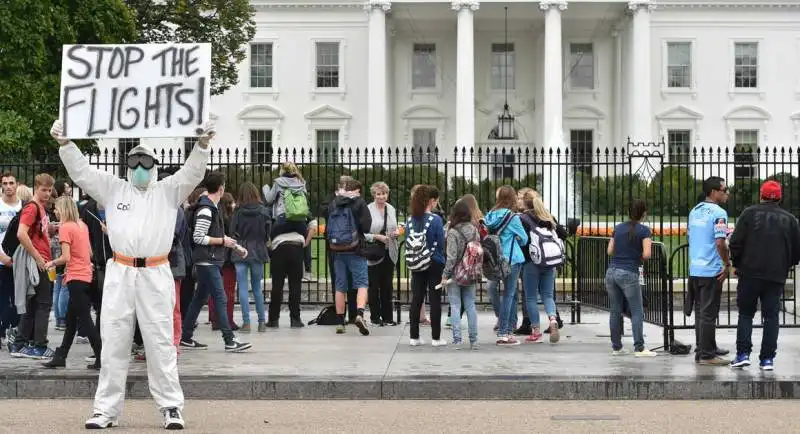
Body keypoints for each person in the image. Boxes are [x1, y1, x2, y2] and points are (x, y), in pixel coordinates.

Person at [51, 119, 215, 430]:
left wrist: (202, 145)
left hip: (155, 271)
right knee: (114, 340)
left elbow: (192, 173)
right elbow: (83, 172)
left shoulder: (168, 191)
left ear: (154, 165)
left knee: (160, 341)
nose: (140, 166)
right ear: (127, 165)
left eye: (146, 161)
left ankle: (170, 407)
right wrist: (66, 145)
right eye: (134, 161)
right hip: (121, 270)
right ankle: (105, 410)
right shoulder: (113, 189)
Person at [729, 181, 800, 370]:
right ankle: (767, 359)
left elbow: (735, 242)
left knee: (745, 314)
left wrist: (736, 264)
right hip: (776, 275)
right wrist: (786, 266)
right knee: (771, 317)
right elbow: (796, 251)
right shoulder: (790, 219)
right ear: (779, 197)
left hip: (750, 272)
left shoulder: (749, 214)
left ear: (761, 195)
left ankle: (743, 353)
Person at [181, 172, 251, 353]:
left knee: (198, 299)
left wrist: (236, 247)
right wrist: (223, 242)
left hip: (208, 260)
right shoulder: (207, 210)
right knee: (220, 298)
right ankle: (229, 340)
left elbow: (217, 234)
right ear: (221, 189)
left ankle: (186, 336)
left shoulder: (212, 208)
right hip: (207, 261)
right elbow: (199, 237)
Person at [41, 196, 101, 369]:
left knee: (85, 320)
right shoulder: (82, 225)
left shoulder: (66, 228)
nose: (55, 211)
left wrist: (51, 263)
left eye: (57, 208)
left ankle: (101, 356)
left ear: (64, 209)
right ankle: (61, 355)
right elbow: (89, 252)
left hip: (75, 278)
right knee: (71, 320)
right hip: (87, 277)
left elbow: (66, 257)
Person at [687, 176, 731, 366]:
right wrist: (727, 264)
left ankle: (705, 347)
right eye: (724, 189)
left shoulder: (694, 211)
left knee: (700, 312)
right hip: (711, 270)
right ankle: (707, 355)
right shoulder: (719, 213)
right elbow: (720, 242)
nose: (727, 193)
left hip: (695, 268)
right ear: (714, 192)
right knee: (708, 313)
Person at [11, 173, 55, 359]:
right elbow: (22, 233)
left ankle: (20, 344)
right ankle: (39, 345)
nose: (47, 193)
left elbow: (35, 232)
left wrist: (51, 229)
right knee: (43, 305)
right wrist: (38, 257)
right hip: (39, 262)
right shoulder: (33, 208)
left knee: (33, 305)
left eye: (49, 190)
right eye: (43, 190)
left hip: (41, 260)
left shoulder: (40, 208)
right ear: (35, 188)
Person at [604, 199, 656, 357]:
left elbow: (609, 250)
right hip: (629, 272)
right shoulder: (644, 230)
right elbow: (647, 254)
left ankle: (617, 347)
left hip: (611, 271)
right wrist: (636, 256)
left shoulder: (618, 228)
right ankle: (639, 348)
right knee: (637, 311)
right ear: (644, 213)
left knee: (615, 310)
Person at [519, 191, 567, 344]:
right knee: (547, 294)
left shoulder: (523, 219)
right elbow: (563, 234)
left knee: (531, 297)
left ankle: (536, 331)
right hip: (549, 261)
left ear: (526, 204)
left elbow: (522, 240)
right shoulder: (548, 217)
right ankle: (553, 319)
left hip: (530, 262)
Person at [485, 185, 528, 346]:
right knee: (509, 295)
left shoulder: (490, 215)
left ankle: (508, 328)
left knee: (508, 295)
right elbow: (524, 239)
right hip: (511, 259)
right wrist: (515, 238)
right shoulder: (512, 217)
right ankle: (505, 332)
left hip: (495, 260)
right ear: (511, 199)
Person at [328, 179, 371, 335]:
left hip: (337, 250)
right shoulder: (359, 202)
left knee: (340, 286)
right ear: (357, 190)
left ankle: (340, 321)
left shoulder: (335, 202)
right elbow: (366, 226)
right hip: (356, 248)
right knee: (362, 283)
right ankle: (359, 314)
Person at [407, 185, 447, 347]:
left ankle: (414, 336)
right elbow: (441, 243)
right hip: (434, 262)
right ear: (432, 201)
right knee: (435, 299)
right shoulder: (436, 220)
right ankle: (436, 338)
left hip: (417, 262)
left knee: (417, 298)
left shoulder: (410, 219)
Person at [231, 182, 270, 332]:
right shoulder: (263, 211)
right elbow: (267, 233)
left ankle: (246, 322)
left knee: (242, 287)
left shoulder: (238, 211)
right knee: (256, 288)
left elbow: (232, 230)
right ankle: (261, 322)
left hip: (241, 249)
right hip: (258, 250)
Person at [442, 199, 480, 349]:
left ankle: (457, 339)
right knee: (471, 306)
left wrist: (445, 274)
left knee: (456, 306)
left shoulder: (453, 232)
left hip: (456, 274)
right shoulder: (474, 229)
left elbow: (451, 257)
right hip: (471, 271)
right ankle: (474, 340)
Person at [322, 176, 358, 323]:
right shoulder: (336, 200)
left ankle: (348, 314)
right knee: (341, 281)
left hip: (340, 245)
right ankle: (344, 314)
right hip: (340, 245)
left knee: (346, 281)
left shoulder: (349, 200)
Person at [366, 182, 399, 326]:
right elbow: (363, 233)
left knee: (387, 285)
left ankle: (388, 317)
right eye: (378, 194)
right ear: (374, 195)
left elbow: (394, 226)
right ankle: (375, 317)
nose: (381, 196)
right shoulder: (368, 209)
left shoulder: (391, 209)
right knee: (374, 285)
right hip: (374, 250)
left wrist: (396, 232)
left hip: (389, 250)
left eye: (384, 193)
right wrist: (377, 237)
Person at [207, 192, 239, 332]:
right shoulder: (232, 219)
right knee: (228, 291)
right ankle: (228, 320)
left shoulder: (216, 218)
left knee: (214, 289)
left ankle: (215, 318)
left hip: (215, 257)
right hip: (229, 259)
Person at [0, 173, 21, 346]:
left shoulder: (24, 207)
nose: (8, 186)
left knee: (17, 300)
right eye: (5, 183)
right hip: (1, 260)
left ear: (17, 185)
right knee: (2, 299)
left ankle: (14, 331)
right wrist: (2, 257)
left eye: (11, 183)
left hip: (19, 262)